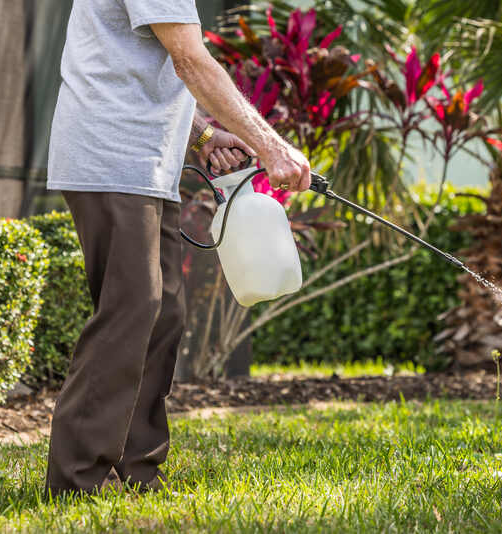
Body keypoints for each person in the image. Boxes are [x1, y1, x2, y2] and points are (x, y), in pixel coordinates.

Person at [44, 0, 311, 497]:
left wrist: (204, 135)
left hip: (145, 167)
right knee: (132, 308)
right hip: (112, 159)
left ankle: (138, 470)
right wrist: (271, 145)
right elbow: (191, 60)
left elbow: (137, 64)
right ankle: (76, 481)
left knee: (163, 312)